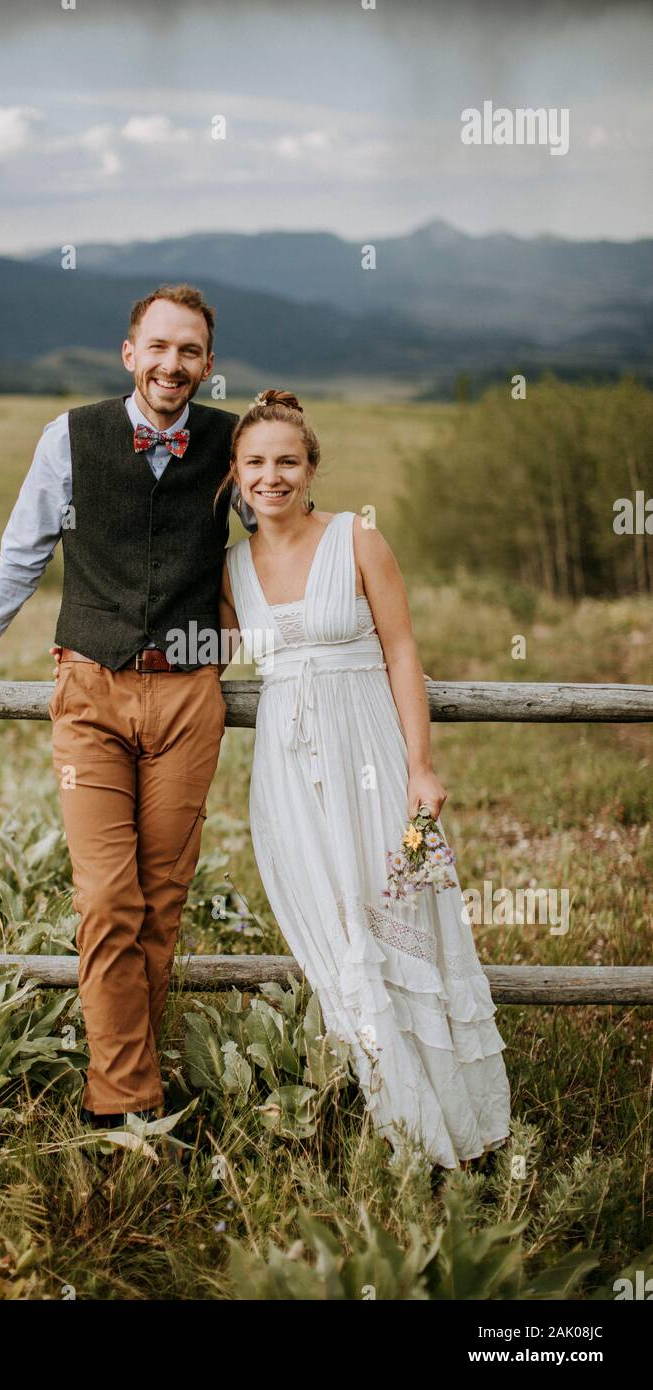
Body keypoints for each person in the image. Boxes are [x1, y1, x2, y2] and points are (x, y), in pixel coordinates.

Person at [0, 284, 256, 1129]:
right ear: (129, 352)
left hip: (187, 697)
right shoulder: (68, 438)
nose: (173, 365)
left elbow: (279, 540)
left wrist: (314, 630)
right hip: (89, 694)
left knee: (161, 904)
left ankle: (135, 1086)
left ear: (208, 366)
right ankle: (124, 1107)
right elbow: (20, 554)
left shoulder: (231, 444)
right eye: (159, 347)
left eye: (191, 352)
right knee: (108, 901)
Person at [218, 389, 512, 1171]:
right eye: (256, 463)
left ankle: (460, 1134)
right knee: (336, 933)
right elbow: (201, 655)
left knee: (402, 921)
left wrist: (421, 765)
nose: (271, 476)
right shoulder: (231, 568)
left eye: (287, 461)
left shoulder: (357, 539)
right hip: (288, 775)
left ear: (312, 470)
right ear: (237, 476)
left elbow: (403, 652)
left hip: (374, 762)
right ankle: (399, 1123)